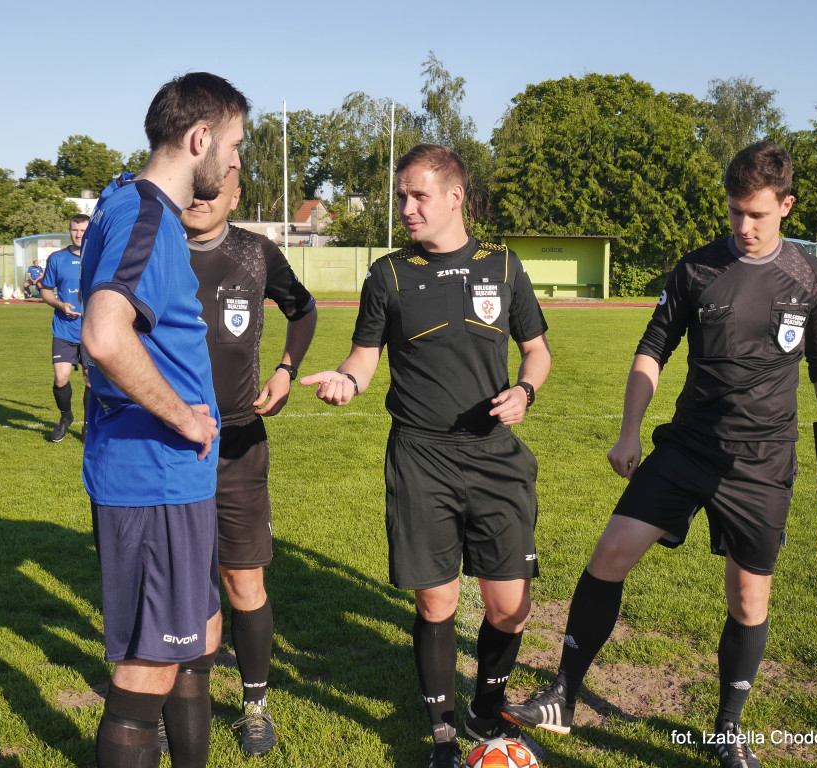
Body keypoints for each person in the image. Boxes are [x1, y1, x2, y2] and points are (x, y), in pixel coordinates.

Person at [500, 142, 817, 768]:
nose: (743, 226)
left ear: (786, 207)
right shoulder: (696, 269)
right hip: (686, 449)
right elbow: (652, 349)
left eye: (757, 215)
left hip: (763, 464)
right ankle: (563, 696)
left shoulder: (810, 276)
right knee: (609, 554)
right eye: (735, 213)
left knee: (748, 602)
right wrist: (630, 430)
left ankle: (726, 729)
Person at [303, 144, 552, 768]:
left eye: (418, 196)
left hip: (496, 457)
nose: (406, 208)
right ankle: (443, 732)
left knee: (509, 607)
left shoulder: (503, 267)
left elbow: (538, 351)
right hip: (421, 457)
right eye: (402, 196)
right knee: (437, 602)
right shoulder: (388, 275)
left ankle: (485, 710)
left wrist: (524, 390)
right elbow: (364, 356)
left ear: (454, 196)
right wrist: (348, 381)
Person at [79, 72, 248, 768]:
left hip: (177, 481)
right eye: (235, 144)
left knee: (200, 638)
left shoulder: (140, 207)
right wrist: (183, 418)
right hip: (151, 479)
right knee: (148, 670)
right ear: (199, 137)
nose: (238, 160)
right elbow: (104, 335)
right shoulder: (143, 213)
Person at [182, 170, 317, 756]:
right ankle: (183, 701)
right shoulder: (153, 246)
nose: (200, 198)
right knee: (183, 586)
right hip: (166, 446)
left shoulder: (256, 253)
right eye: (194, 187)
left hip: (237, 443)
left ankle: (255, 703)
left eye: (214, 192)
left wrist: (286, 368)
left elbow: (303, 310)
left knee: (243, 579)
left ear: (235, 198)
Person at [40, 215, 90, 443]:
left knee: (91, 380)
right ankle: (65, 417)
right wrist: (60, 305)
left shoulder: (99, 257)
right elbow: (46, 291)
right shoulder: (57, 258)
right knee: (61, 378)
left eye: (83, 230)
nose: (78, 234)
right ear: (69, 231)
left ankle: (88, 426)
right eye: (74, 230)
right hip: (64, 328)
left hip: (92, 330)